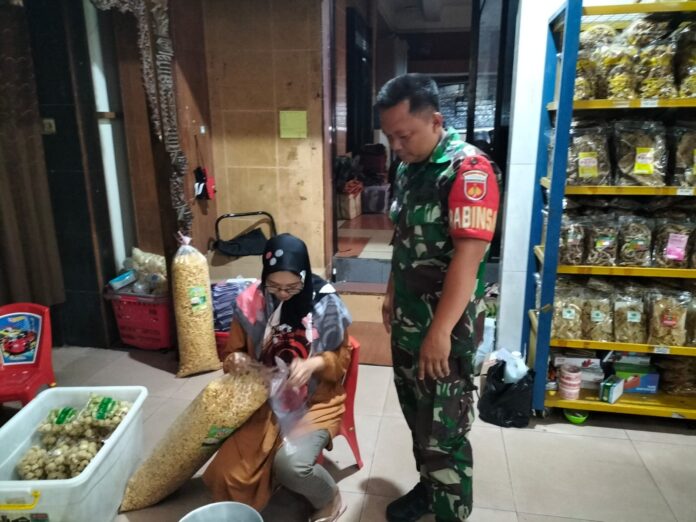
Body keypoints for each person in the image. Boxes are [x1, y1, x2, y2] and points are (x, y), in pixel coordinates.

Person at [376, 73, 500, 522]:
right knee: (417, 418)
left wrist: (440, 332)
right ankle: (430, 492)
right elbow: (403, 238)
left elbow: (468, 259)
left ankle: (451, 510)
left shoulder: (469, 171)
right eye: (390, 137)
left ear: (435, 121)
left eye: (404, 135)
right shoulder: (408, 168)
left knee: (443, 434)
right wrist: (391, 292)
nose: (396, 146)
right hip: (409, 320)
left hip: (446, 330)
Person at [203, 233, 352, 522]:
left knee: (292, 467)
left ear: (304, 276)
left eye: (292, 287)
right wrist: (236, 360)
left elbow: (341, 362)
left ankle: (329, 497)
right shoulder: (250, 302)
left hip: (316, 401)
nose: (283, 294)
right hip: (265, 402)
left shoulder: (325, 303)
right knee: (226, 474)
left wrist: (315, 363)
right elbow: (231, 355)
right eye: (274, 286)